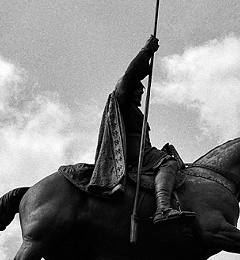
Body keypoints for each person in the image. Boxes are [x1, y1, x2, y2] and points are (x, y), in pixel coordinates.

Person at [61, 36, 192, 224]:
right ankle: (162, 209)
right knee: (168, 163)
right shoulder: (122, 103)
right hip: (134, 156)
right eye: (138, 89)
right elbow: (130, 76)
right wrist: (146, 52)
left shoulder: (137, 113)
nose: (141, 92)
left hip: (144, 154)